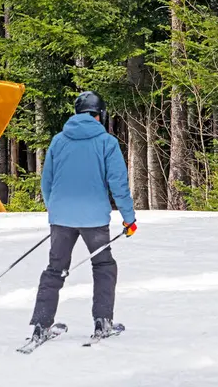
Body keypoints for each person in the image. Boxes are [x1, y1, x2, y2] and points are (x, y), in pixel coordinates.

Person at [28, 90, 137, 342]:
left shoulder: (58, 140)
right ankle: (102, 322)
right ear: (100, 114)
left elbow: (47, 181)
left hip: (61, 218)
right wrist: (129, 219)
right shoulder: (106, 142)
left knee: (55, 269)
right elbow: (118, 184)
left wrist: (55, 211)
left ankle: (41, 325)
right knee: (103, 265)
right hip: (94, 219)